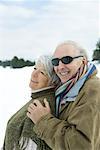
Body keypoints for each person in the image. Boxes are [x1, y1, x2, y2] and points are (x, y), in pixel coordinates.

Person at [27, 41, 100, 150]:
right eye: (56, 62)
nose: (60, 67)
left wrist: (43, 121)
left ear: (83, 61)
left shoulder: (92, 91)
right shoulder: (68, 89)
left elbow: (82, 145)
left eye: (67, 60)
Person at [3, 55, 59, 150]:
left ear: (53, 81)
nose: (34, 74)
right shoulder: (37, 98)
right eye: (35, 68)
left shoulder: (42, 105)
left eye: (42, 72)